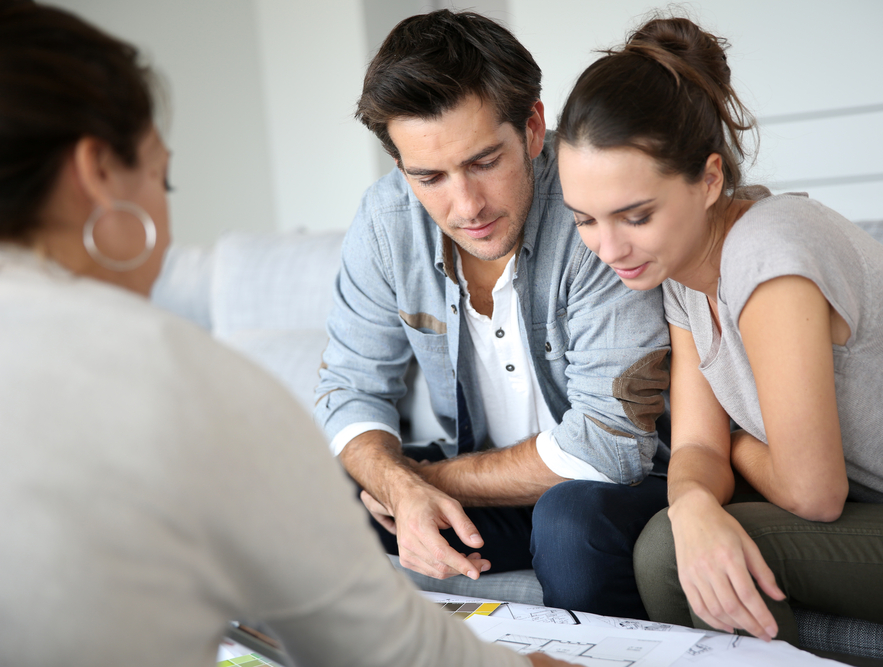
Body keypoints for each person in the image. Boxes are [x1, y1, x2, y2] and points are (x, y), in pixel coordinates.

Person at [0, 4, 572, 666]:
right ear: (99, 172)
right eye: (164, 176)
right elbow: (386, 646)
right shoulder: (194, 385)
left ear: (531, 128)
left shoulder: (581, 210)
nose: (464, 203)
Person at [555, 15, 883, 645]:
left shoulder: (770, 254)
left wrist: (734, 452)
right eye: (585, 220)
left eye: (635, 215)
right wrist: (694, 502)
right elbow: (696, 450)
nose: (609, 247)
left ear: (710, 179)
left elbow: (811, 493)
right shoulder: (681, 276)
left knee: (669, 558)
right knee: (684, 533)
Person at [314, 9, 671, 619]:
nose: (467, 205)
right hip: (491, 484)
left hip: (622, 485)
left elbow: (612, 447)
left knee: (568, 526)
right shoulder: (385, 221)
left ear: (533, 128)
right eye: (429, 176)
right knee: (316, 491)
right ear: (401, 168)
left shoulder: (594, 210)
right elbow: (350, 387)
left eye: (484, 161)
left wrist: (431, 481)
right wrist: (397, 484)